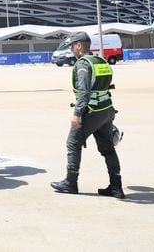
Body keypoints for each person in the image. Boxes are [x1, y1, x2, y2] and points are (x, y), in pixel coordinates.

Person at [51, 31, 124, 198]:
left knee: (72, 143)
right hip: (107, 110)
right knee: (108, 148)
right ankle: (116, 186)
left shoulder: (83, 64)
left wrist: (77, 113)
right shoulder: (101, 60)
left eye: (72, 46)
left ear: (79, 45)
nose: (71, 49)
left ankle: (70, 182)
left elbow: (84, 92)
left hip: (92, 111)